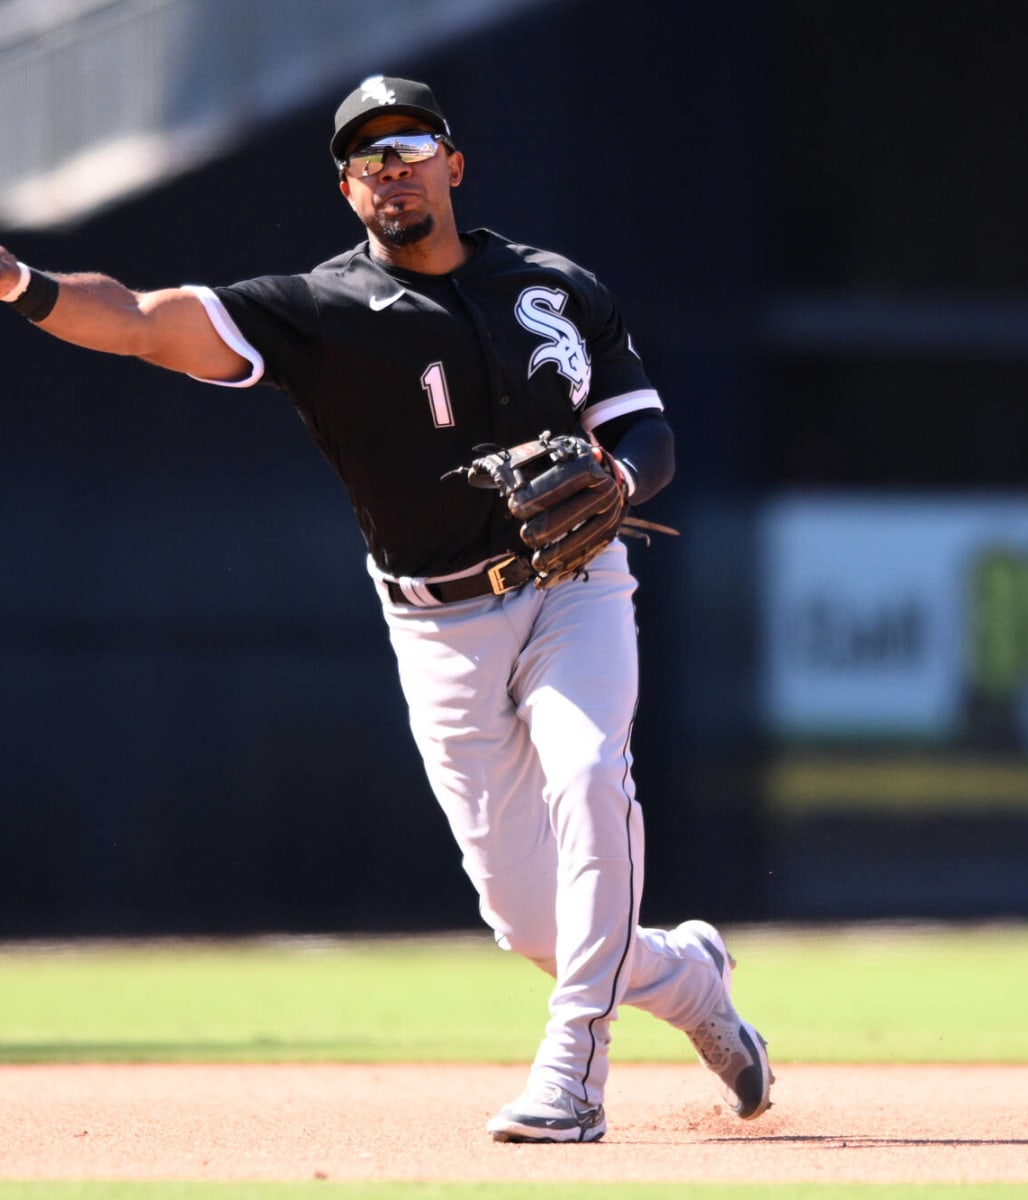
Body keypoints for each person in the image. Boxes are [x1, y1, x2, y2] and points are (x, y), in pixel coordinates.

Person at [0, 74, 772, 1142]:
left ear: (453, 164)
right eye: (366, 156)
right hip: (438, 624)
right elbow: (137, 321)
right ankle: (690, 979)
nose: (389, 168)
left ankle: (574, 1074)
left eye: (408, 144)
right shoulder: (319, 313)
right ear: (348, 188)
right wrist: (17, 283)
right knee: (532, 923)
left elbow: (648, 434)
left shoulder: (555, 285)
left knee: (592, 772)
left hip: (576, 586)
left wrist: (626, 485)